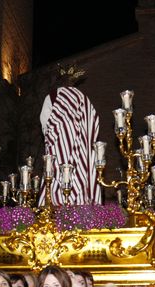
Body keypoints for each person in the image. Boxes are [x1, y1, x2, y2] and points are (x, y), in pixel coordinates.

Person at [38, 64, 101, 206]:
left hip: (59, 151)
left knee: (56, 180)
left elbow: (45, 123)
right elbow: (94, 122)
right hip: (84, 154)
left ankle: (54, 207)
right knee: (83, 181)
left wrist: (54, 138)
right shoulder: (84, 99)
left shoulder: (53, 96)